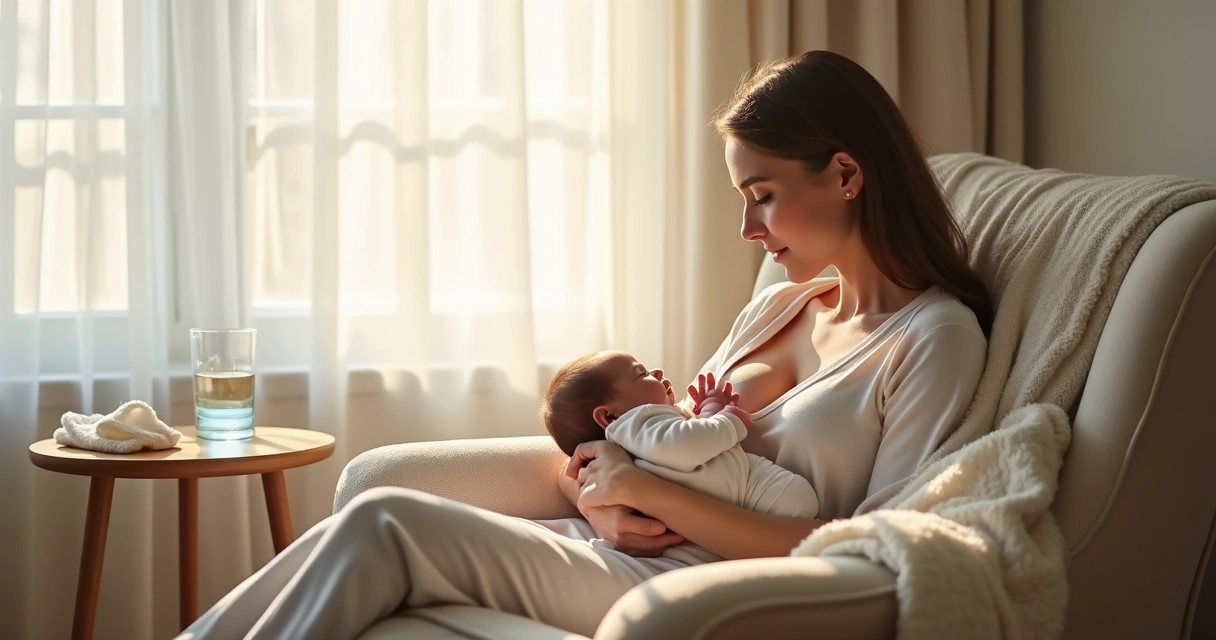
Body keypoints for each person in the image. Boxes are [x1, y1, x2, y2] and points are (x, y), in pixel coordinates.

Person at [177, 50, 991, 640]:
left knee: (390, 525)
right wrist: (598, 495)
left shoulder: (934, 338)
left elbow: (871, 550)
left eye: (763, 196)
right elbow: (657, 441)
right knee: (370, 518)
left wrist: (650, 496)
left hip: (709, 585)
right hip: (631, 549)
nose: (747, 228)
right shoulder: (782, 305)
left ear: (845, 175)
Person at [540, 350, 820, 556]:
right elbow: (688, 444)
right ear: (609, 417)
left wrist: (709, 411)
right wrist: (726, 420)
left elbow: (686, 439)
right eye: (642, 374)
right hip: (738, 503)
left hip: (751, 520)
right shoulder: (638, 422)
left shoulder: (646, 428)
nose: (657, 373)